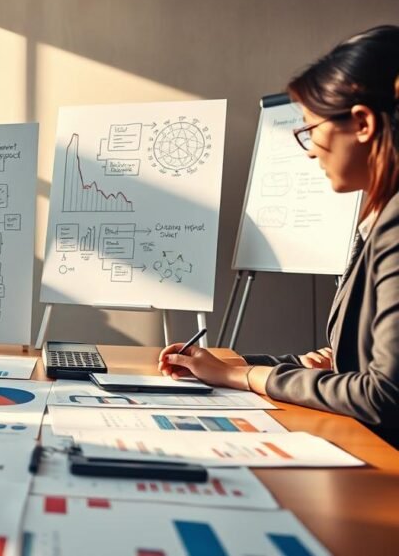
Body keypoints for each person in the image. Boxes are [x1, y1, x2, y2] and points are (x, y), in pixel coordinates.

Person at [159, 25, 399, 447]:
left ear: (361, 123)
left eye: (310, 129)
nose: (309, 149)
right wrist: (231, 364)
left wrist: (240, 374)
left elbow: (385, 396)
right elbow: (364, 368)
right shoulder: (379, 217)